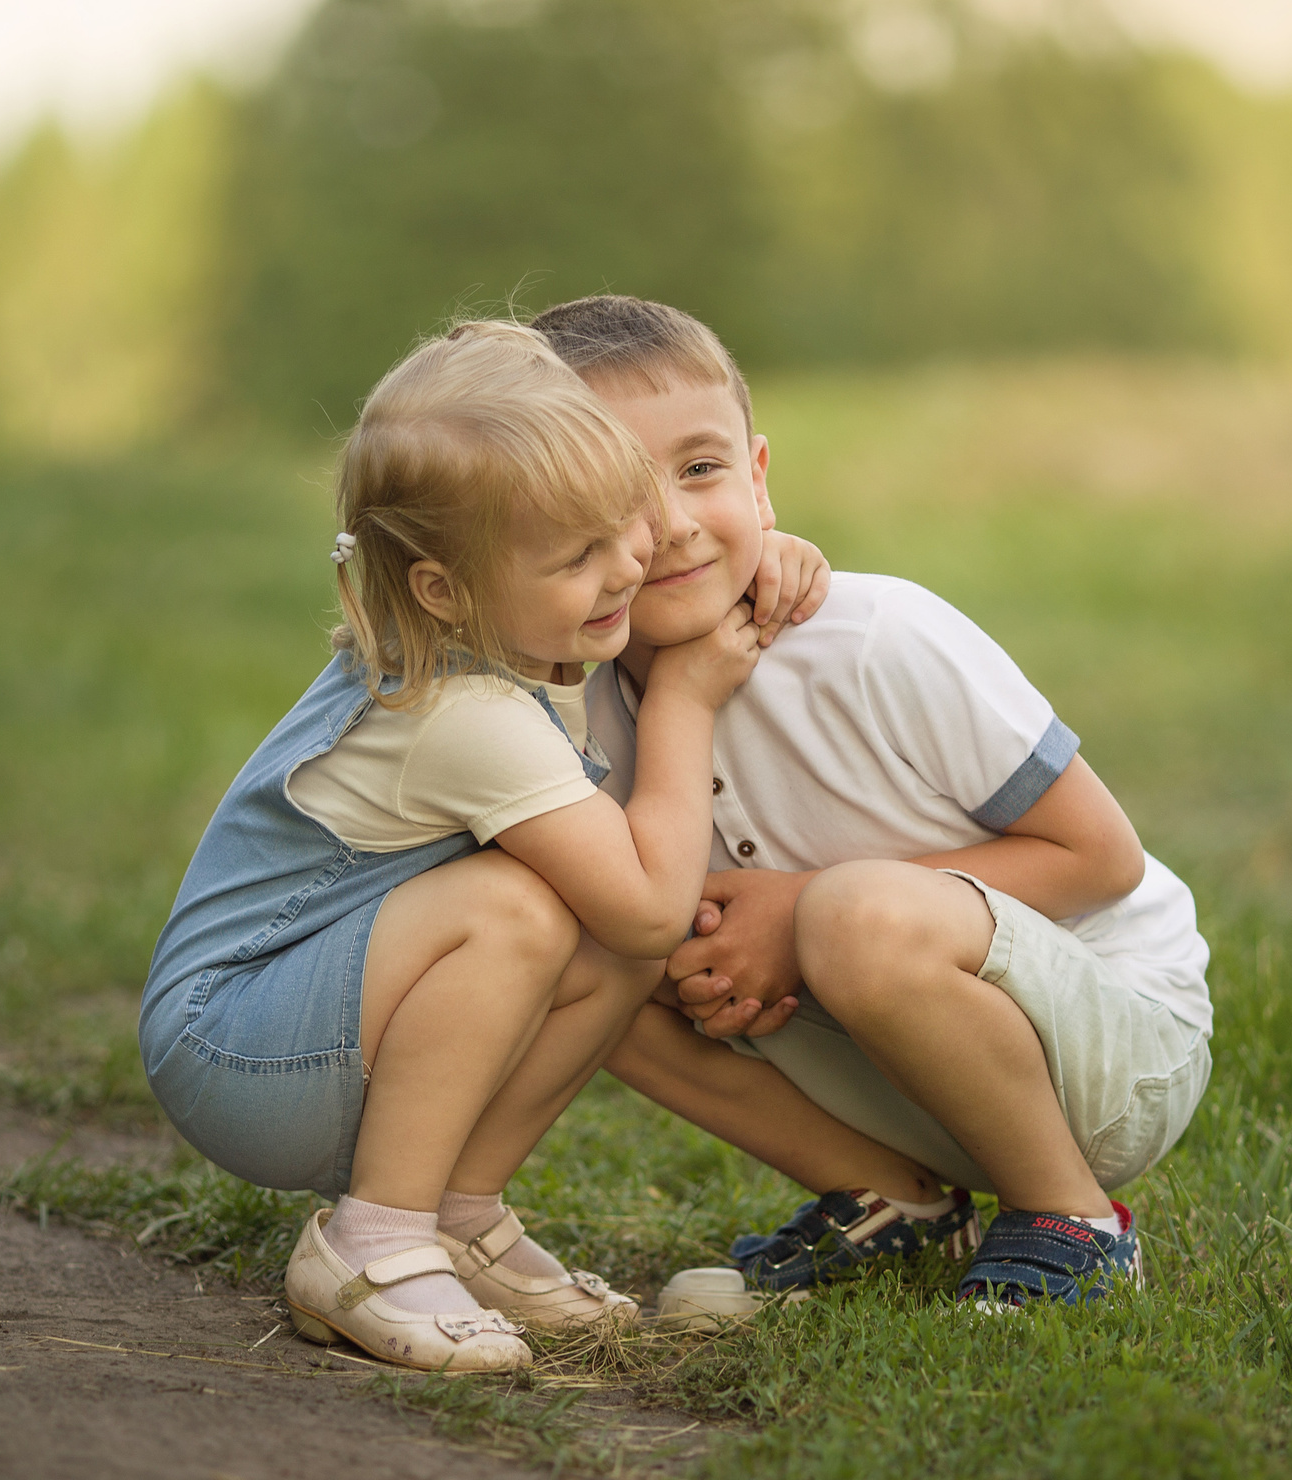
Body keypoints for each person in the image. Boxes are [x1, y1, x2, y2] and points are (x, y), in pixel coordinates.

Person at [137, 320, 824, 1371]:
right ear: (441, 590)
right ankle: (372, 1240)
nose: (632, 566)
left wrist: (761, 554)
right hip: (238, 1053)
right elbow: (648, 901)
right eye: (579, 554)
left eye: (620, 525)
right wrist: (685, 701)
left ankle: (456, 1217)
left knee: (604, 941)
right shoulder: (461, 712)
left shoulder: (518, 615)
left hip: (311, 1032)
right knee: (529, 909)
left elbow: (631, 931)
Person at [531, 295, 1213, 1309]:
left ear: (758, 479)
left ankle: (1074, 1220)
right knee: (577, 943)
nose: (672, 525)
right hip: (883, 1067)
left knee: (855, 914)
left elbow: (1099, 859)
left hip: (1106, 1048)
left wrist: (799, 916)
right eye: (616, 493)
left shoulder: (874, 636)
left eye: (702, 470)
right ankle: (898, 1207)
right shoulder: (567, 708)